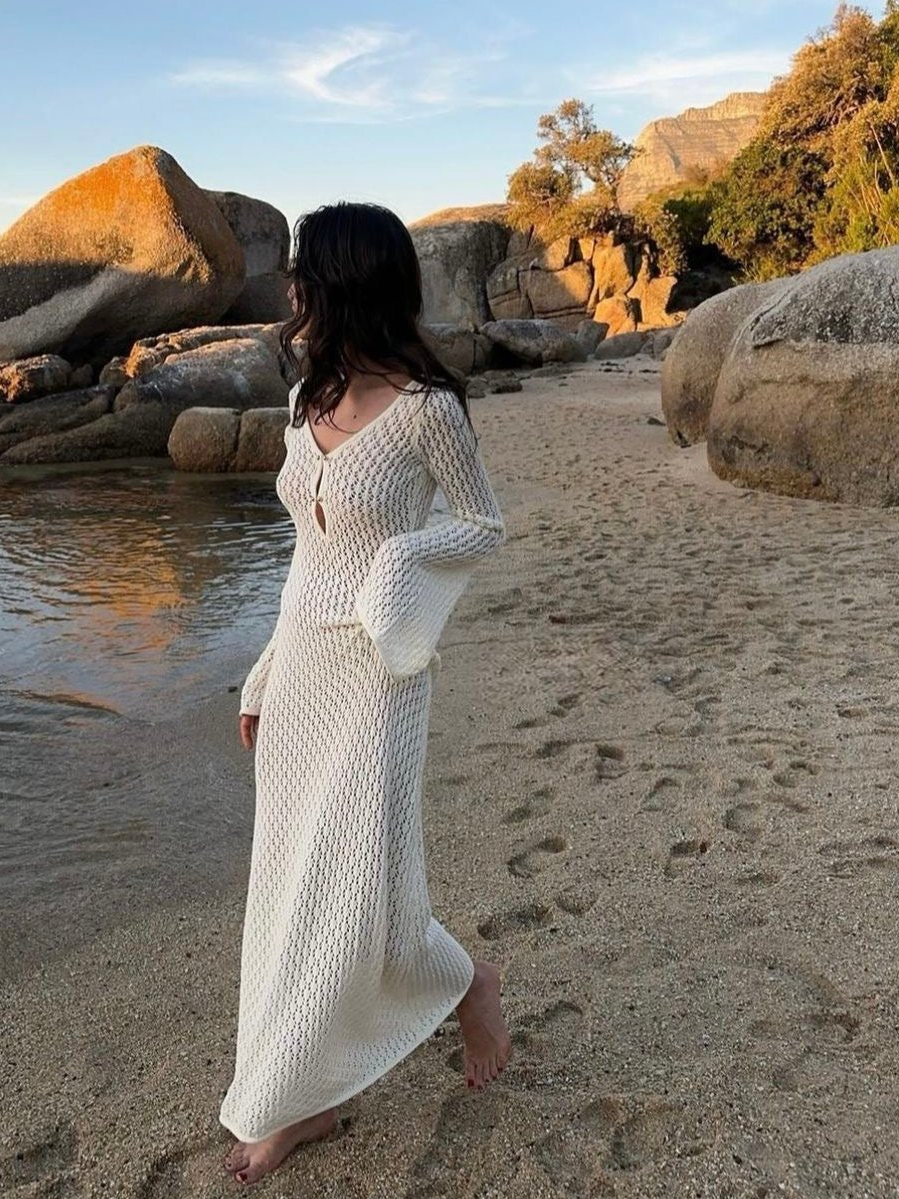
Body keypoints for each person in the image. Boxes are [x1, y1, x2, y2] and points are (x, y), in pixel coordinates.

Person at [220, 201, 511, 1186]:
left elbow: (480, 524)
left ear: (341, 282)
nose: (290, 286)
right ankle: (307, 1098)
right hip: (303, 670)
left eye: (303, 271)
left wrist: (398, 567)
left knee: (359, 883)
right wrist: (265, 671)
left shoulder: (428, 409)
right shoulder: (307, 395)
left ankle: (465, 984)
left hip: (380, 673)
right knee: (289, 879)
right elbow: (305, 558)